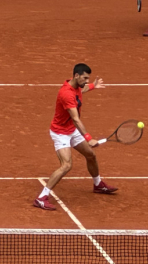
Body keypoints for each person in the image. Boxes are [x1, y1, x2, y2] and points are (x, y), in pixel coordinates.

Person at [33, 64, 117, 211]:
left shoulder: (76, 86)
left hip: (71, 130)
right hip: (61, 133)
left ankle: (98, 185)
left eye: (88, 78)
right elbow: (76, 119)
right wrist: (89, 138)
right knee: (66, 165)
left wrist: (92, 86)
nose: (86, 80)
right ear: (76, 76)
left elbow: (81, 90)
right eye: (85, 78)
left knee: (90, 155)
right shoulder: (66, 94)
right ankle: (41, 198)